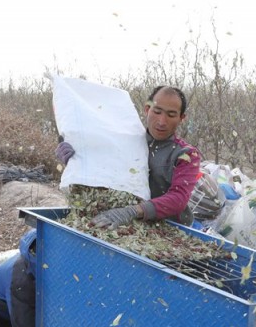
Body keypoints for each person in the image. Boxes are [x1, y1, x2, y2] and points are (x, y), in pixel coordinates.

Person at [55, 85, 202, 227]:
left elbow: (178, 198)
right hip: (122, 223)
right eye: (157, 111)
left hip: (169, 228)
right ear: (147, 109)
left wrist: (133, 211)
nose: (162, 121)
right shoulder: (123, 140)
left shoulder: (186, 155)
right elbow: (101, 169)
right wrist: (76, 160)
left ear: (182, 118)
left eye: (171, 115)